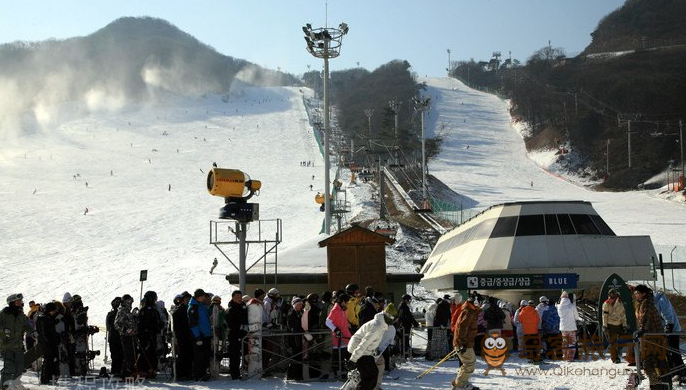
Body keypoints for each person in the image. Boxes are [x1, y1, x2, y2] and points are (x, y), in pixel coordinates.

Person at [634, 284, 670, 389]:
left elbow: (646, 317)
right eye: (635, 293)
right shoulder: (644, 302)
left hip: (652, 336)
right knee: (659, 361)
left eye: (637, 293)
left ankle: (657, 385)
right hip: (653, 336)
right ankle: (663, 383)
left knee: (648, 362)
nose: (636, 295)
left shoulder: (646, 303)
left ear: (643, 294)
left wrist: (643, 330)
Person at [346, 312, 393, 390]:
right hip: (358, 350)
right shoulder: (377, 326)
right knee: (369, 376)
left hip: (365, 352)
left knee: (374, 373)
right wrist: (353, 359)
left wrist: (374, 350)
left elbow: (372, 342)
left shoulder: (380, 325)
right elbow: (364, 343)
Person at [0, 294, 32, 390]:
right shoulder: (4, 314)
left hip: (18, 345)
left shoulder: (20, 314)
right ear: (11, 302)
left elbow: (26, 325)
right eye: (17, 301)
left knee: (20, 366)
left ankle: (16, 383)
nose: (20, 303)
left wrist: (32, 332)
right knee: (9, 366)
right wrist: (3, 331)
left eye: (20, 301)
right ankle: (5, 386)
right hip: (7, 345)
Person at [654, 290, 686, 382]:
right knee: (667, 352)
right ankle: (673, 371)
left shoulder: (660, 298)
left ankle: (681, 372)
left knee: (674, 351)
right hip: (662, 330)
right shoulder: (650, 301)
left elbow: (667, 313)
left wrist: (669, 326)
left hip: (672, 329)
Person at [451, 294, 481, 390]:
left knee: (467, 364)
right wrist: (462, 343)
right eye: (479, 302)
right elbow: (462, 328)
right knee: (469, 364)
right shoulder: (469, 312)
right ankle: (460, 385)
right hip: (464, 343)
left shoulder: (470, 311)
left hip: (465, 342)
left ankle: (460, 383)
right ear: (475, 303)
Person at [188, 289, 212, 381]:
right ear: (198, 296)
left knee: (204, 356)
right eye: (202, 296)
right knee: (199, 356)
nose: (204, 298)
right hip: (199, 336)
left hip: (205, 335)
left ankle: (203, 373)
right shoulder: (194, 307)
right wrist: (197, 336)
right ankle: (199, 375)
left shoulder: (201, 306)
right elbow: (193, 324)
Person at [326, 293, 352, 376]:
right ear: (343, 301)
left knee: (346, 355)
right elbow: (328, 322)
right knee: (338, 357)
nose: (347, 303)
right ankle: (337, 373)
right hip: (339, 338)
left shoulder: (342, 309)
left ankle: (345, 371)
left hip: (346, 336)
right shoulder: (335, 310)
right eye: (347, 301)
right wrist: (336, 330)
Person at [226, 290, 248, 380]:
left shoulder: (243, 306)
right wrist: (241, 326)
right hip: (234, 335)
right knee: (234, 355)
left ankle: (243, 370)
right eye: (237, 297)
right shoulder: (230, 309)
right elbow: (231, 323)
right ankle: (234, 374)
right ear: (233, 297)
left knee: (244, 353)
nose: (239, 298)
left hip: (243, 334)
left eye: (240, 296)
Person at [171, 292, 193, 381]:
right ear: (183, 300)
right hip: (182, 336)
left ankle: (187, 373)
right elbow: (175, 325)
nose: (188, 301)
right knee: (182, 355)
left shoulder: (190, 309)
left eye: (189, 299)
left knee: (189, 355)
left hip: (189, 335)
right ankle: (180, 373)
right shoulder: (179, 310)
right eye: (186, 299)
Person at [601, 288, 628, 364]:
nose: (611, 299)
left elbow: (623, 315)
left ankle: (618, 350)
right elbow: (604, 315)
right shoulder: (606, 304)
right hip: (610, 324)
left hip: (619, 324)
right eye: (610, 296)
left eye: (613, 297)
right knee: (613, 342)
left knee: (624, 339)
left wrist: (624, 325)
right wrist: (604, 325)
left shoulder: (620, 303)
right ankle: (615, 358)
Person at [36, 302, 60, 384]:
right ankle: (45, 378)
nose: (54, 312)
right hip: (46, 343)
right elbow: (43, 333)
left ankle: (51, 377)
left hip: (52, 342)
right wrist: (48, 341)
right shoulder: (42, 318)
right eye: (53, 310)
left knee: (52, 360)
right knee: (48, 360)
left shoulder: (49, 318)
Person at [114, 294, 137, 379]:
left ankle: (129, 371)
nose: (130, 303)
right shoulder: (122, 311)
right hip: (125, 336)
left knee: (131, 354)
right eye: (129, 301)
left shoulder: (127, 311)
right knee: (128, 355)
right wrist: (125, 330)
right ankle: (125, 373)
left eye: (131, 301)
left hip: (131, 335)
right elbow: (116, 324)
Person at [556, 291, 580, 362]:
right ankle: (570, 358)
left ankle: (565, 357)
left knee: (565, 342)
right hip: (572, 327)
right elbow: (577, 317)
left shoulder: (559, 307)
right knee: (571, 343)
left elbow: (559, 315)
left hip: (563, 328)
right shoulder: (572, 306)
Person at [286, 298, 305, 380]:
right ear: (295, 305)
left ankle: (298, 375)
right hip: (293, 339)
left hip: (299, 338)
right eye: (299, 304)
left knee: (299, 356)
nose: (301, 306)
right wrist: (300, 331)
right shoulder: (292, 313)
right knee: (295, 356)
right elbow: (291, 326)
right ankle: (293, 375)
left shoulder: (300, 312)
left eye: (301, 304)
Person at [518, 298, 541, 364]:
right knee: (534, 345)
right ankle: (535, 357)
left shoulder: (522, 311)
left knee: (528, 345)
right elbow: (538, 320)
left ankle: (530, 358)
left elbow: (520, 320)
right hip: (534, 331)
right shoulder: (535, 311)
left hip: (526, 332)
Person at [106, 297, 123, 378]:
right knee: (118, 354)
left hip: (114, 338)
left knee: (115, 355)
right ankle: (118, 370)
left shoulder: (110, 314)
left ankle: (116, 370)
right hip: (117, 338)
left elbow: (108, 327)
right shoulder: (113, 314)